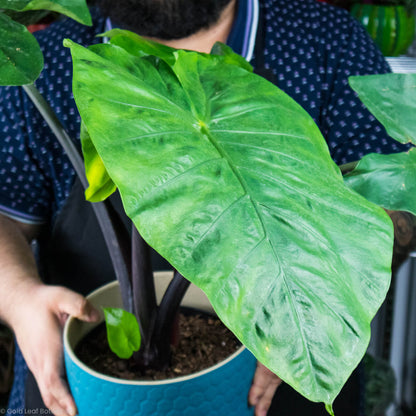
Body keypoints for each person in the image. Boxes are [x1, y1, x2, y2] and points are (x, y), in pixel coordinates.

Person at [0, 0, 411, 415]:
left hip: (276, 371)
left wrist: (316, 310)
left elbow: (392, 198)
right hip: (87, 377)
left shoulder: (324, 42)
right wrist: (20, 299)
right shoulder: (43, 62)